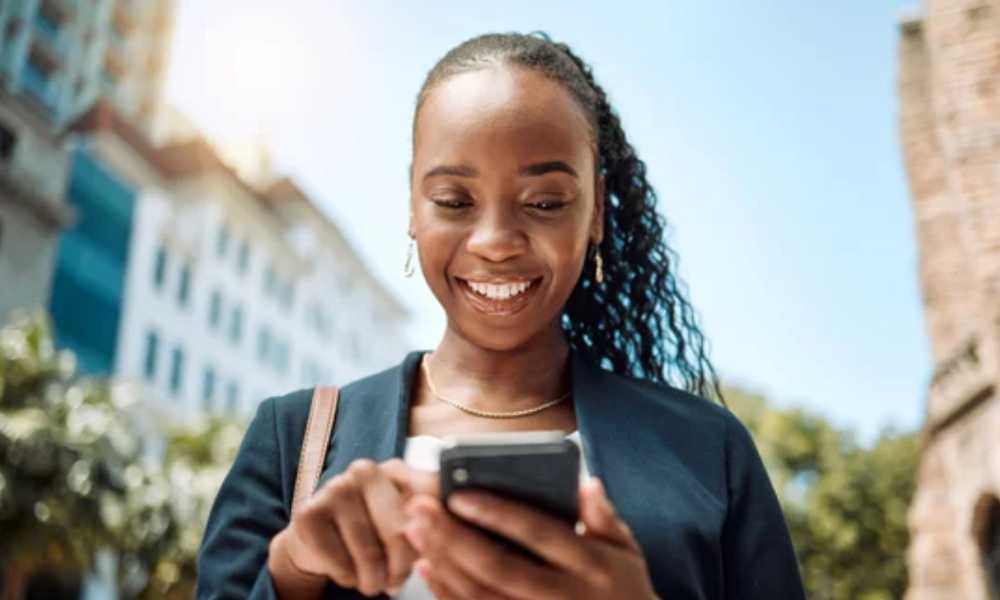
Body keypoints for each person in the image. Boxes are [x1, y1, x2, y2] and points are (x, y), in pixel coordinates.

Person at [196, 32, 806, 600]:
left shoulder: (708, 449)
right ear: (413, 208)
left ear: (595, 214)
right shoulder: (294, 439)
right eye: (454, 201)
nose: (495, 240)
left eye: (544, 201)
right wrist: (294, 569)